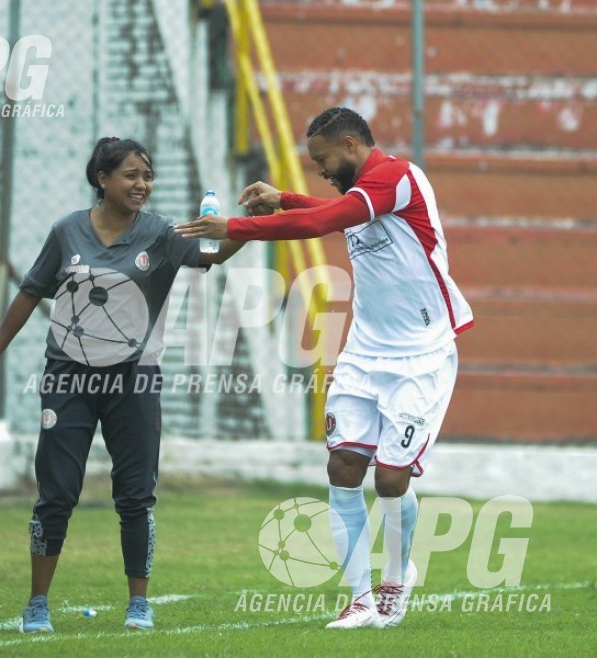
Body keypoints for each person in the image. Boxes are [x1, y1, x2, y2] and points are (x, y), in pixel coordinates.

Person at [176, 107, 473, 629]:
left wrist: (236, 226)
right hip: (364, 350)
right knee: (342, 468)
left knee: (391, 477)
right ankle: (359, 597)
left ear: (353, 144)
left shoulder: (398, 177)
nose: (321, 171)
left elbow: (320, 222)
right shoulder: (364, 196)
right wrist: (283, 199)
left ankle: (394, 584)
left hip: (422, 353)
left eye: (323, 160)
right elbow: (326, 211)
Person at [0, 137, 243, 633]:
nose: (142, 184)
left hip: (135, 381)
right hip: (67, 378)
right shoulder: (67, 231)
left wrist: (247, 227)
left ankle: (138, 603)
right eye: (131, 175)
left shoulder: (161, 233)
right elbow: (32, 290)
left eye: (147, 175)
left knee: (136, 494)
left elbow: (213, 256)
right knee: (56, 491)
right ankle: (37, 603)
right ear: (102, 179)